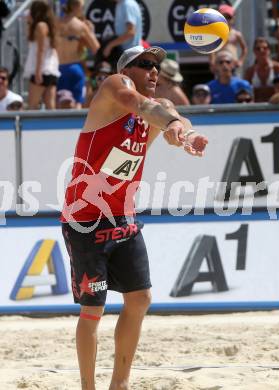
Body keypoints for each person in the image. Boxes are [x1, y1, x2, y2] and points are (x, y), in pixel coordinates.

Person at [61, 45, 208, 390]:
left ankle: (120, 384)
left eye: (157, 65)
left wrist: (185, 134)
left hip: (122, 217)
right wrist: (171, 123)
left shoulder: (156, 110)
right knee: (92, 310)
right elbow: (142, 106)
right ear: (127, 69)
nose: (154, 71)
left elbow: (172, 115)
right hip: (85, 220)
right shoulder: (115, 87)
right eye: (145, 64)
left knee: (140, 299)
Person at [57, 0, 100, 109]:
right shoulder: (80, 26)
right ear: (77, 7)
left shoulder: (56, 23)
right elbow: (96, 48)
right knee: (77, 104)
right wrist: (90, 32)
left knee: (59, 103)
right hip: (74, 67)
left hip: (58, 68)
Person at [24, 0, 60, 110]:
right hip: (50, 69)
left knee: (32, 105)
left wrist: (38, 71)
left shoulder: (40, 26)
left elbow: (41, 50)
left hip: (42, 69)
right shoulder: (47, 26)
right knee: (50, 105)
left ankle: (31, 127)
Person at [244, 37, 279, 102]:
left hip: (275, 106)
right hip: (257, 107)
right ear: (254, 51)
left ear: (269, 50)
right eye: (258, 49)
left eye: (265, 48)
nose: (262, 51)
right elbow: (245, 92)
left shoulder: (277, 68)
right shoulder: (250, 71)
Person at [210, 4, 248, 73]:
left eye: (228, 17)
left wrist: (241, 61)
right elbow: (212, 50)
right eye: (223, 17)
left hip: (233, 65)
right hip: (219, 64)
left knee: (234, 82)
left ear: (233, 19)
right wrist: (212, 62)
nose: (226, 20)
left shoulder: (237, 34)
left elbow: (244, 49)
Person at [102, 0, 142, 65]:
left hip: (131, 56)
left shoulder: (127, 4)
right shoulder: (120, 4)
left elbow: (131, 32)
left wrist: (110, 45)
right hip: (126, 54)